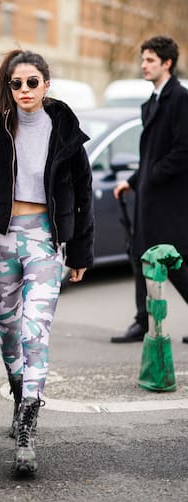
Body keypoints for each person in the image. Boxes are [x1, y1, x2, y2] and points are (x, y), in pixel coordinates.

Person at [0, 49, 94, 473]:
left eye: (33, 82)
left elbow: (83, 195)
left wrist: (81, 251)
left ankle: (29, 421)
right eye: (17, 83)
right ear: (8, 87)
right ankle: (19, 398)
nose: (25, 90)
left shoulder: (65, 131)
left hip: (45, 242)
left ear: (47, 84)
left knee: (35, 331)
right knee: (10, 333)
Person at [111, 36, 188, 344]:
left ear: (166, 63)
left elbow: (183, 150)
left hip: (169, 199)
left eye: (150, 60)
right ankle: (142, 321)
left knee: (174, 261)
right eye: (143, 60)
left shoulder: (180, 99)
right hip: (149, 195)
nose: (143, 65)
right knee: (142, 258)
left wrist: (153, 176)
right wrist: (132, 180)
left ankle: (143, 321)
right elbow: (151, 153)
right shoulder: (153, 101)